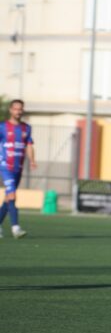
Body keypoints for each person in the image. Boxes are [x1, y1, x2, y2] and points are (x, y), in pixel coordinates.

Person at [0, 99, 37, 239]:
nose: (18, 111)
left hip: (18, 168)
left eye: (20, 109)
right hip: (5, 166)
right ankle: (16, 228)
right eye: (15, 109)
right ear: (10, 110)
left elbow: (29, 145)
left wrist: (32, 160)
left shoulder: (26, 128)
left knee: (8, 199)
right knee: (12, 195)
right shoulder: (2, 127)